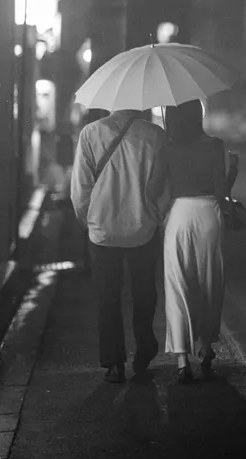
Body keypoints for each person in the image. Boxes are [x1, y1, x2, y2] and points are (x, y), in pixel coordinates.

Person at [71, 109, 167, 384]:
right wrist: (157, 217)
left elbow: (80, 186)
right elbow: (162, 187)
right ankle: (145, 349)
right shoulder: (156, 135)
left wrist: (87, 220)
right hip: (143, 228)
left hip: (102, 228)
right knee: (144, 291)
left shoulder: (90, 133)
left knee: (107, 296)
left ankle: (114, 362)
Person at [147, 100, 237, 384]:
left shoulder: (167, 149)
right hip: (209, 215)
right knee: (210, 283)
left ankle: (182, 360)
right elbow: (222, 191)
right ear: (198, 115)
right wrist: (232, 172)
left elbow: (152, 190)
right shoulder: (214, 145)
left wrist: (162, 211)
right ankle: (207, 346)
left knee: (178, 286)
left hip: (179, 217)